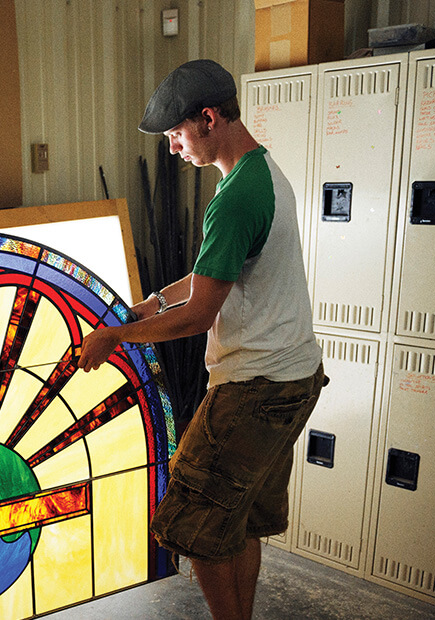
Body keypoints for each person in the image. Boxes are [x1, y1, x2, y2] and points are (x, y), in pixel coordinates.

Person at [77, 59, 324, 620]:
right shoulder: (259, 173)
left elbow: (200, 315)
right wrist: (153, 301)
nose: (172, 149)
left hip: (255, 390)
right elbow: (213, 275)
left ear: (208, 119)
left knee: (191, 521)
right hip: (294, 377)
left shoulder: (234, 199)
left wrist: (118, 334)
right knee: (237, 520)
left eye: (175, 135)